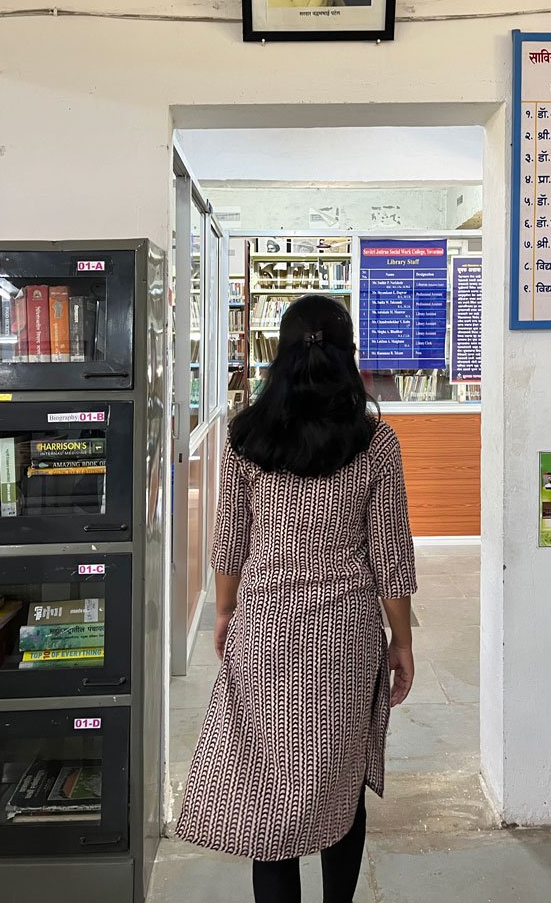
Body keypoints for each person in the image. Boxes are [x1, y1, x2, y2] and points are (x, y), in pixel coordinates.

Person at [176, 294, 417, 902]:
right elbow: (389, 554)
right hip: (346, 636)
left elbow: (230, 539)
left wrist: (226, 613)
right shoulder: (375, 443)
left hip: (265, 626)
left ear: (280, 356)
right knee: (342, 782)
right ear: (348, 355)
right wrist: (403, 640)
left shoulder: (245, 438)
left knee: (267, 796)